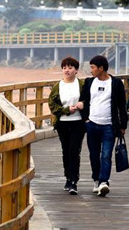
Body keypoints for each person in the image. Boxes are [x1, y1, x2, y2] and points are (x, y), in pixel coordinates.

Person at [76, 55, 128, 197]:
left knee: (106, 155)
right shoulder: (89, 82)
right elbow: (83, 101)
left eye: (93, 67)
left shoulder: (116, 83)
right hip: (92, 124)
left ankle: (104, 182)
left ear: (101, 68)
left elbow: (121, 107)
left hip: (109, 126)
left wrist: (123, 126)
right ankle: (96, 179)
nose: (91, 70)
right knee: (94, 155)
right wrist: (85, 120)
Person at [48, 56, 85, 195]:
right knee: (66, 151)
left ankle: (74, 181)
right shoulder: (58, 86)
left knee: (74, 151)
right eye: (64, 68)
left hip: (78, 122)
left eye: (70, 68)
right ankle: (68, 178)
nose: (67, 70)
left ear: (76, 70)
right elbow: (52, 105)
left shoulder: (81, 85)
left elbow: (88, 99)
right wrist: (66, 110)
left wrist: (83, 104)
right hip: (62, 123)